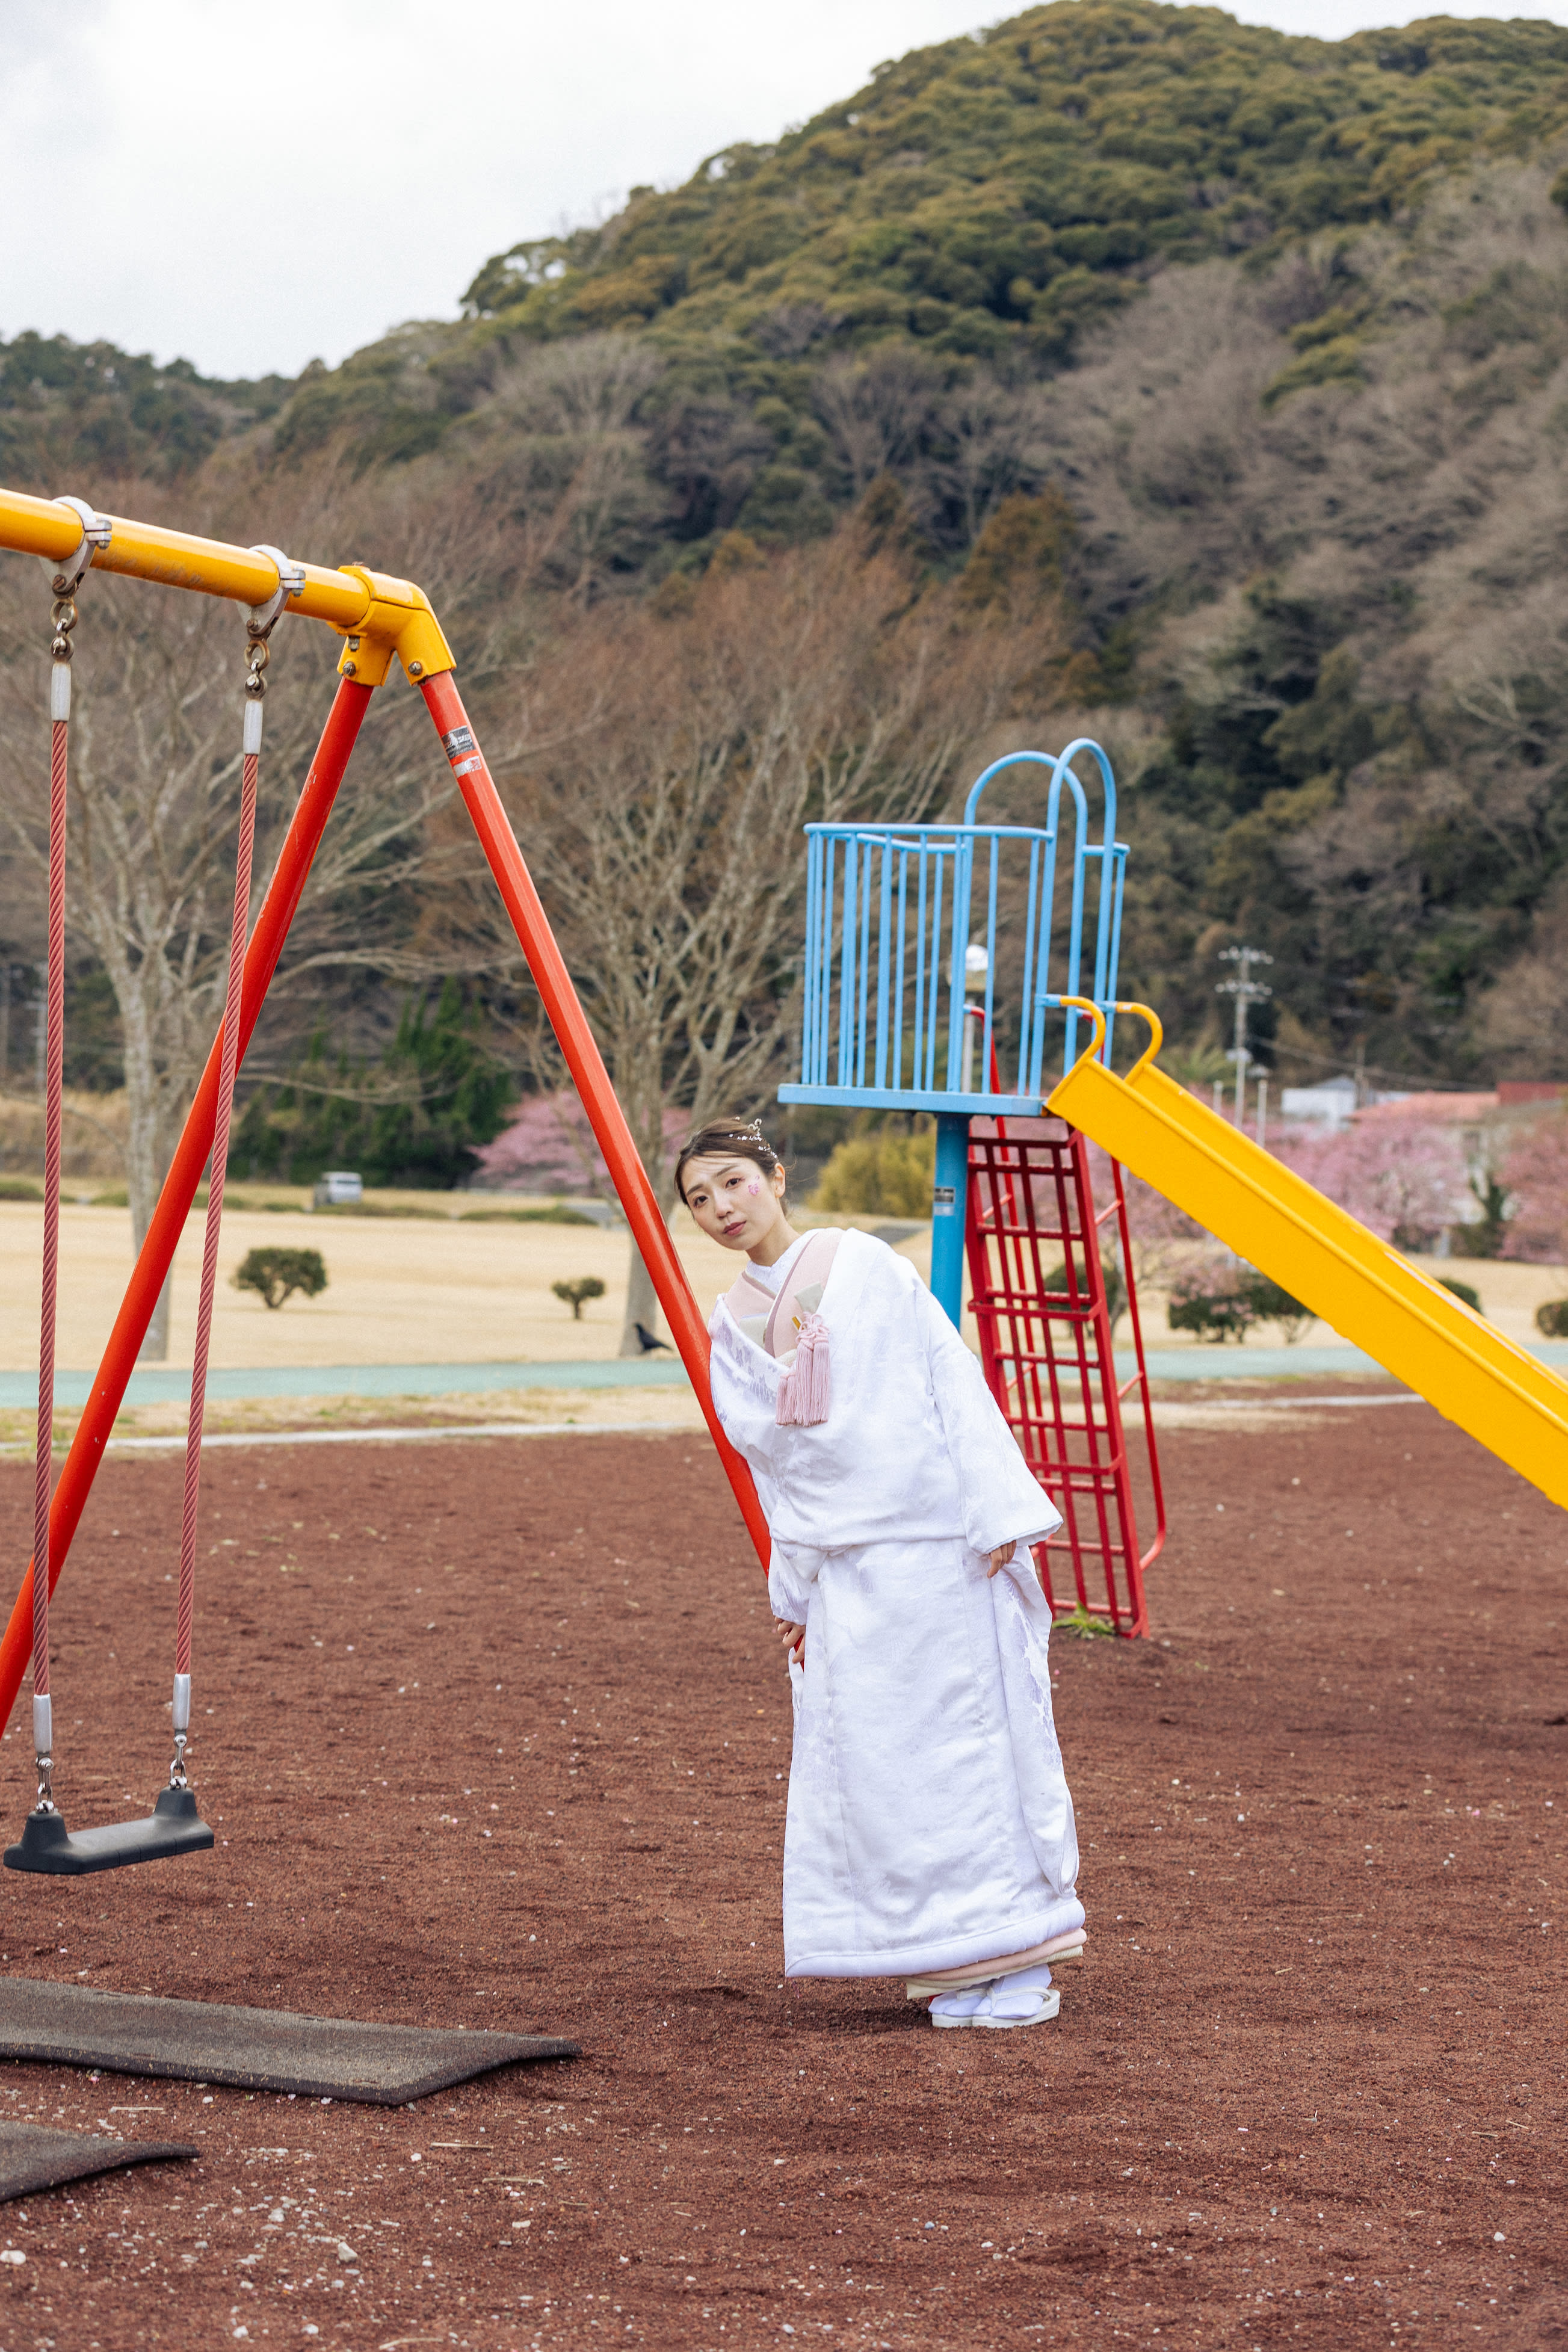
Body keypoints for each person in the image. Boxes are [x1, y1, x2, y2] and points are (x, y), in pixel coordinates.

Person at [678, 1117, 1085, 2032]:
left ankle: (1020, 1952)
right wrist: (793, 1589)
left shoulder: (865, 1264)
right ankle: (942, 1955)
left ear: (776, 1177)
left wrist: (995, 1510)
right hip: (845, 1573)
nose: (722, 1207)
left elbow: (949, 1375)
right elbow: (772, 1468)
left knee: (970, 1747)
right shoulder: (728, 1324)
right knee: (883, 1767)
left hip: (938, 1546)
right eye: (700, 1198)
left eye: (735, 1182)